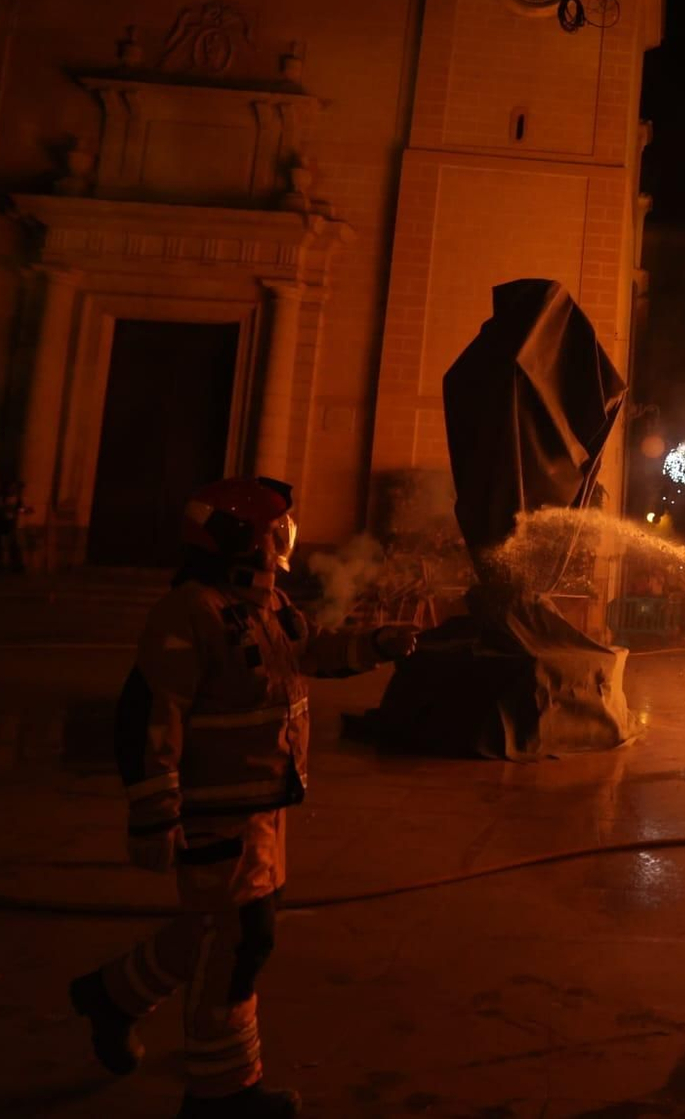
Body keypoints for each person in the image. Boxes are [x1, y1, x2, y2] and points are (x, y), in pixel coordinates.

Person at [69, 477, 418, 1119]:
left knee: (215, 928)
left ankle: (113, 996)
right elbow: (151, 716)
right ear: (240, 537)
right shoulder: (190, 613)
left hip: (264, 807)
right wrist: (155, 816)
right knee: (238, 945)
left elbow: (311, 652)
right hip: (215, 813)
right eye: (274, 529)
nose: (284, 539)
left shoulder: (269, 606)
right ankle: (221, 1096)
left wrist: (377, 644)